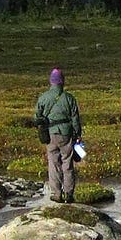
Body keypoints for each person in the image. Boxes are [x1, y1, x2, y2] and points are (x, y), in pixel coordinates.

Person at [35, 67, 82, 203]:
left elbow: (37, 117)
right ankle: (68, 194)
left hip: (49, 134)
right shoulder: (69, 98)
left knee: (53, 163)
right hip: (66, 134)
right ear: (62, 82)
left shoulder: (43, 97)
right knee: (67, 163)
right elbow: (75, 118)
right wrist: (78, 134)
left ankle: (56, 193)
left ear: (51, 81)